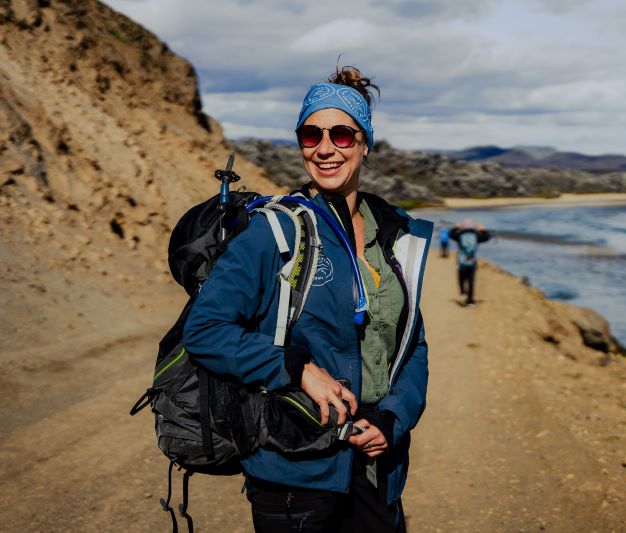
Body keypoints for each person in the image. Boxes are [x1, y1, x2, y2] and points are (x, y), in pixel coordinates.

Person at [183, 65, 432, 532]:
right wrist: (296, 368)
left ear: (365, 143)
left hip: (377, 467)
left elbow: (411, 344)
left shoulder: (395, 236)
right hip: (293, 470)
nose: (325, 148)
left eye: (342, 134)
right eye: (311, 134)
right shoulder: (274, 231)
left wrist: (393, 419)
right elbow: (205, 330)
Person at [449, 220, 491, 306]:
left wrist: (456, 227)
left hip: (461, 262)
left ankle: (462, 291)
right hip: (472, 262)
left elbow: (450, 234)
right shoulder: (476, 235)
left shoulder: (459, 234)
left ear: (463, 226)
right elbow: (487, 237)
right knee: (471, 280)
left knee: (461, 278)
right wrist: (483, 230)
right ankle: (470, 301)